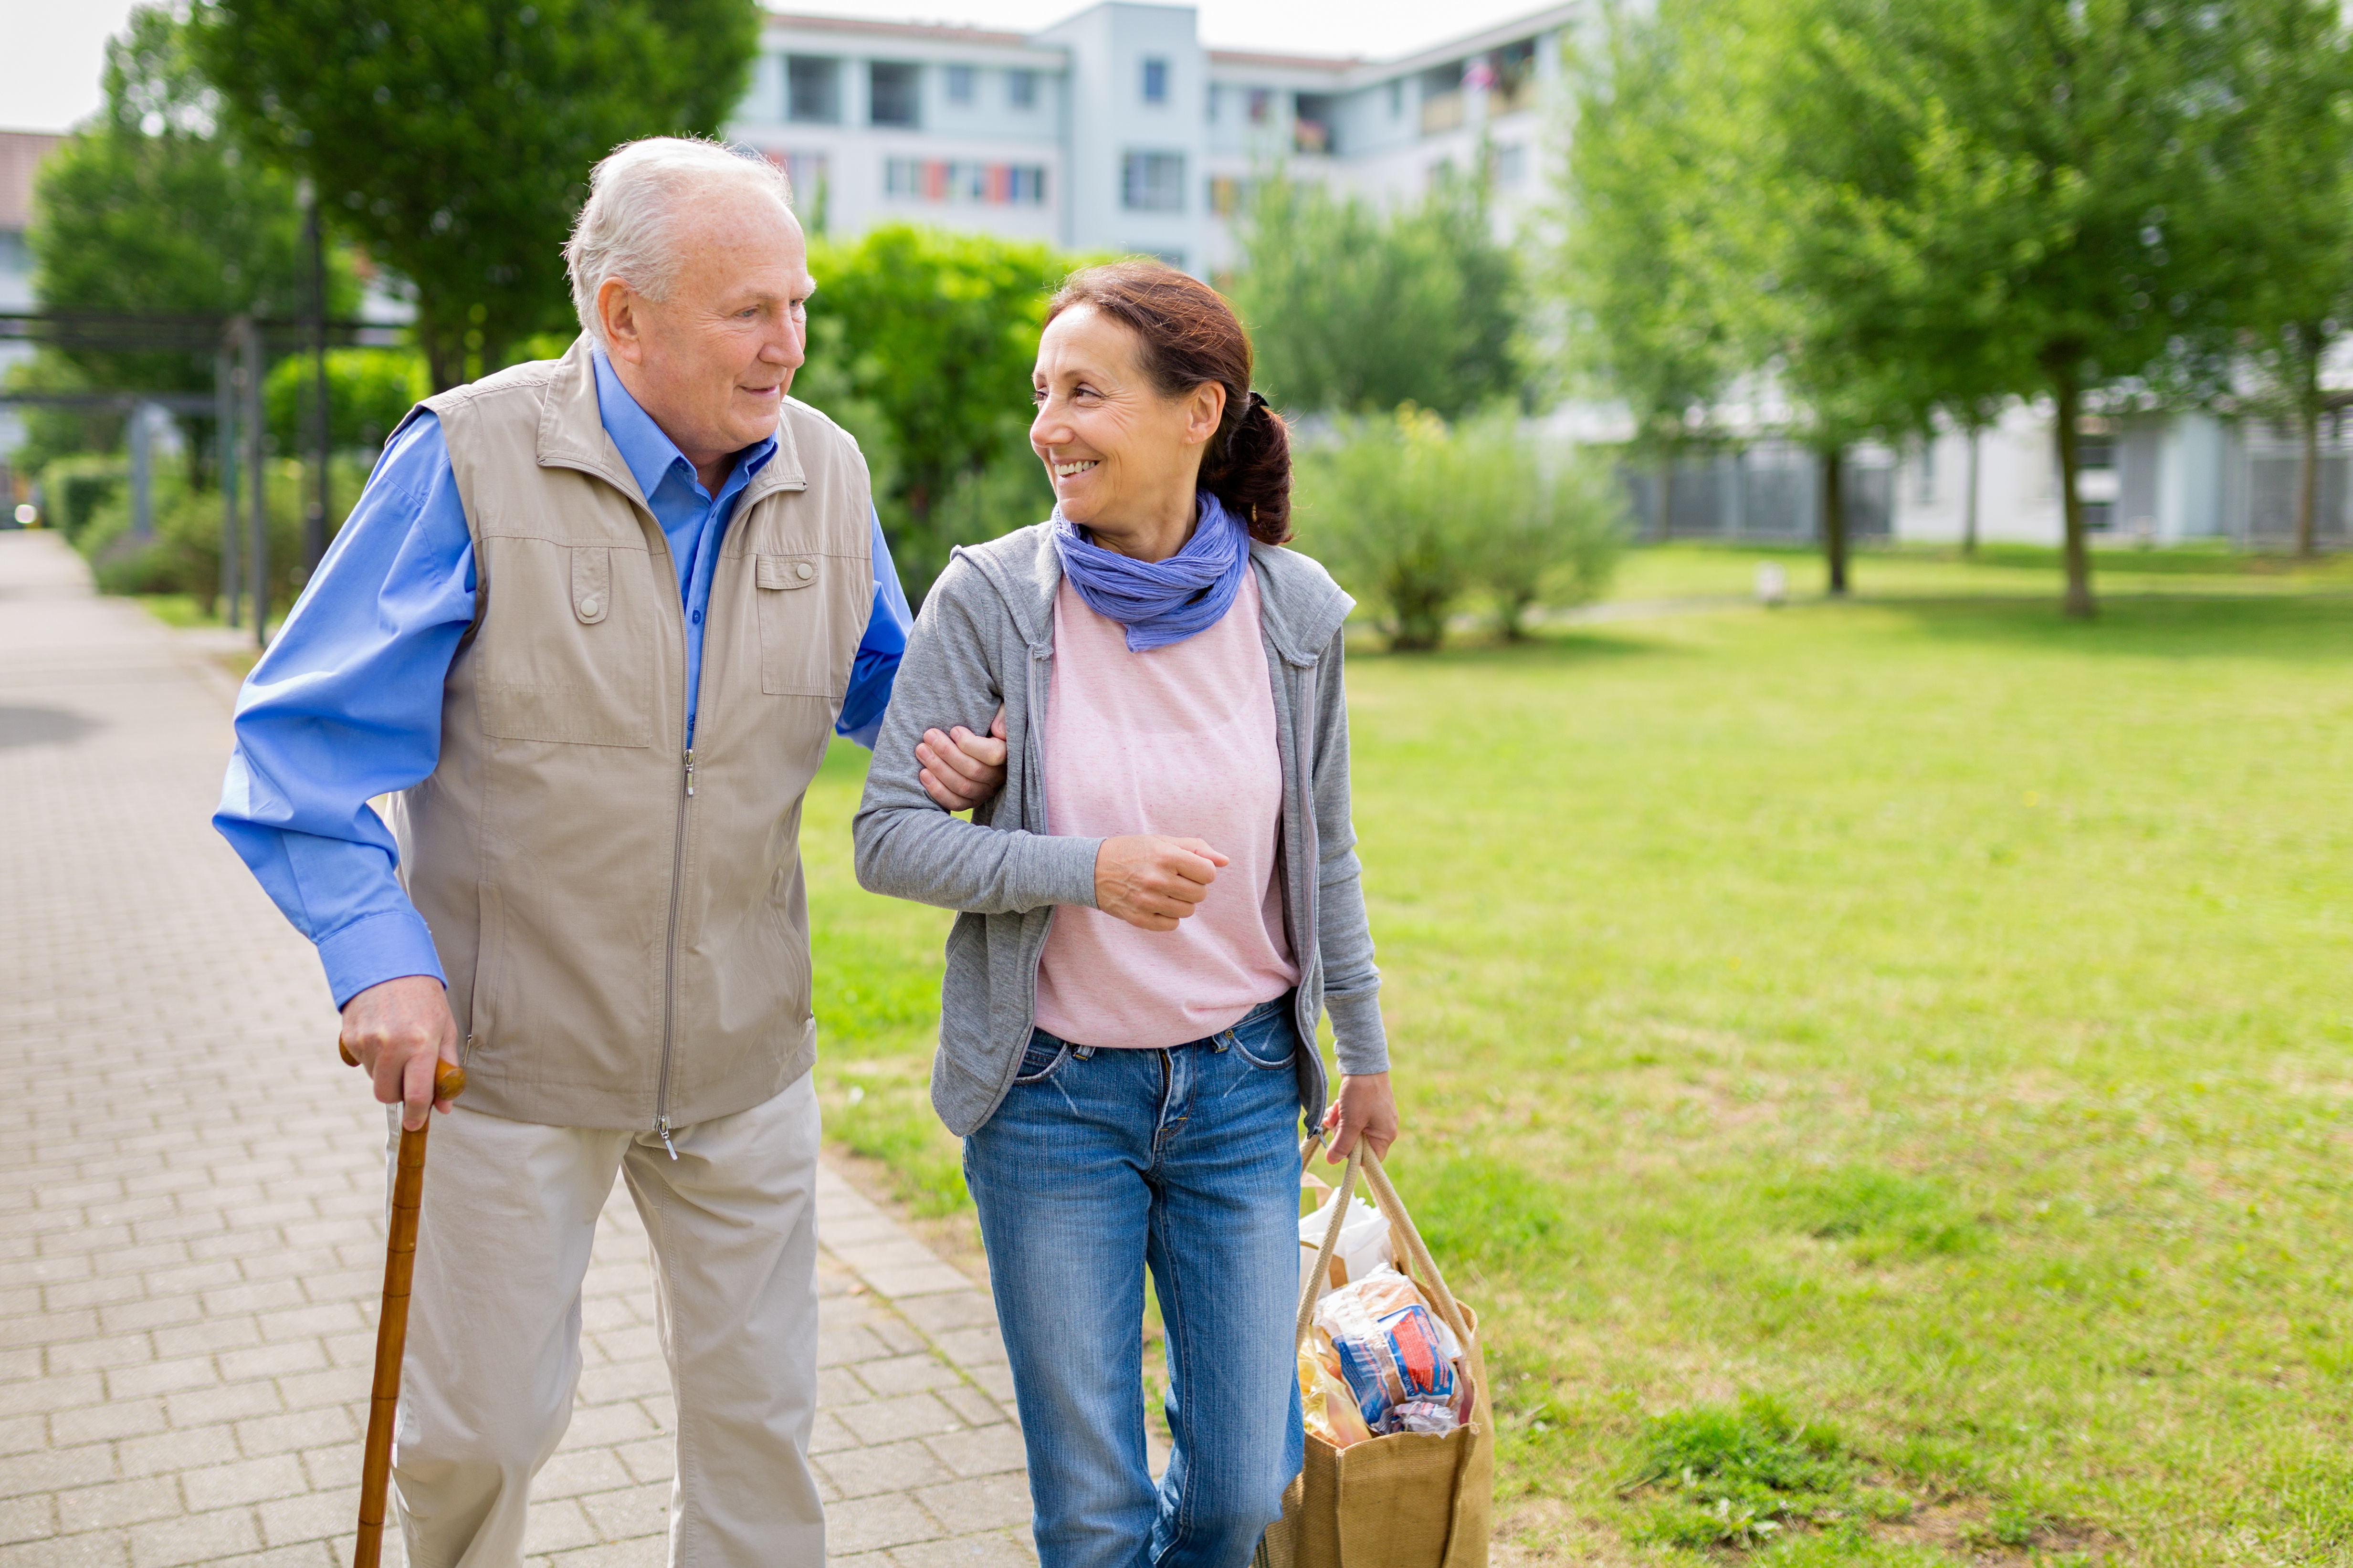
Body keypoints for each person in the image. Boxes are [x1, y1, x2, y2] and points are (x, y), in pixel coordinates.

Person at [213, 137, 1006, 1567]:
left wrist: (953, 747)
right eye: (747, 310)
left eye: (798, 305)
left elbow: (888, 683)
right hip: (511, 1055)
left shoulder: (824, 470)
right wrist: (379, 966)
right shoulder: (465, 457)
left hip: (742, 1048)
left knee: (763, 1429)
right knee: (482, 1439)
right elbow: (291, 754)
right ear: (620, 315)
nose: (787, 347)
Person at [852, 261, 1401, 1568]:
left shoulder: (1293, 611)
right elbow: (886, 837)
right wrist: (1079, 868)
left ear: (1196, 410)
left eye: (1085, 393)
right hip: (1049, 1101)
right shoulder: (992, 597)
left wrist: (1365, 1052)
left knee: (1238, 1486)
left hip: (1240, 1091)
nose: (1049, 425)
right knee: (1093, 1513)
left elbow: (1322, 850)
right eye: (1042, 393)